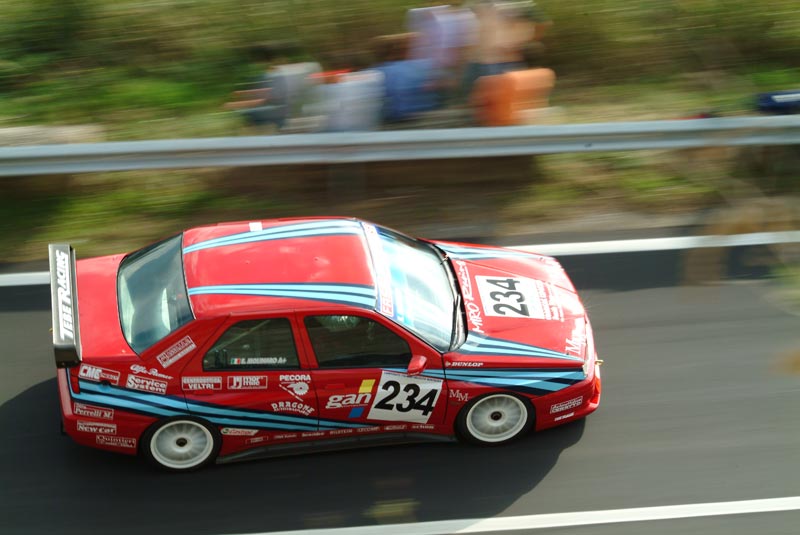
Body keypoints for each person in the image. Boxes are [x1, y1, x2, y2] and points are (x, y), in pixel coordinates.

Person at [225, 42, 320, 132]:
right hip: (280, 110)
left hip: (280, 113)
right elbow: (266, 94)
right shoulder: (272, 73)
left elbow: (273, 97)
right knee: (245, 113)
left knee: (245, 115)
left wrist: (240, 104)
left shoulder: (275, 74)